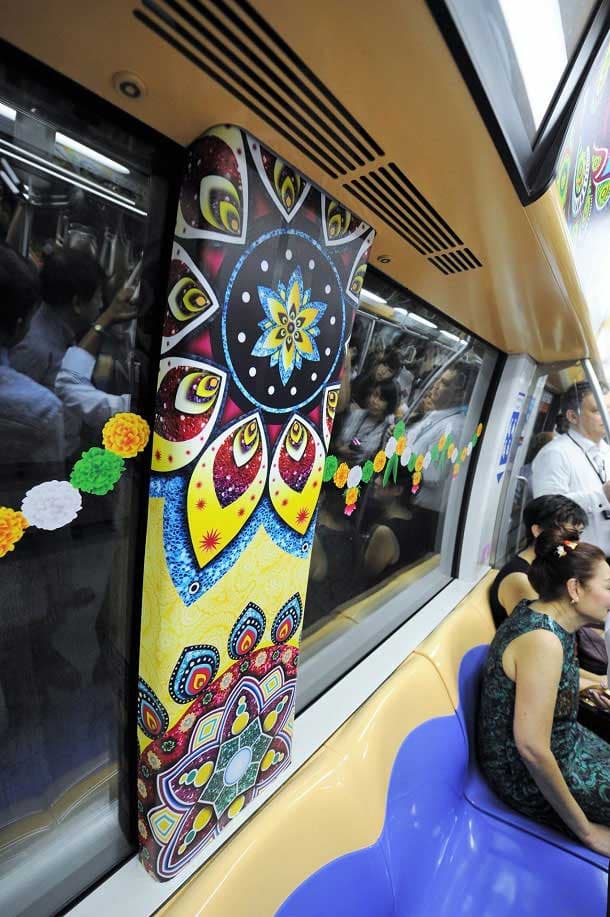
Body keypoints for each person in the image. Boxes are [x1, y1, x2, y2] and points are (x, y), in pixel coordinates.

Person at [477, 530, 610, 855]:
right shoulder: (543, 640)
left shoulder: (541, 614)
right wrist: (588, 832)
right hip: (524, 776)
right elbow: (533, 749)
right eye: (608, 587)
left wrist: (588, 688)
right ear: (574, 589)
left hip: (565, 744)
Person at [532, 382, 610, 556]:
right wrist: (601, 496)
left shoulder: (606, 451)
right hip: (577, 562)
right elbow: (547, 511)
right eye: (597, 410)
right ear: (573, 416)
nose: (607, 416)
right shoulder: (555, 454)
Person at [489, 495, 587, 629]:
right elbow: (540, 628)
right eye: (569, 533)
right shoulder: (520, 579)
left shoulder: (549, 566)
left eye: (579, 534)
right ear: (537, 531)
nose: (576, 542)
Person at [363, 471, 421, 582]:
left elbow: (364, 576)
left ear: (398, 490)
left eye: (382, 477)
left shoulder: (384, 533)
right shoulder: (410, 517)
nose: (376, 481)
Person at [334, 380, 399, 464]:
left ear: (389, 404)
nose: (374, 401)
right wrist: (339, 449)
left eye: (381, 399)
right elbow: (339, 438)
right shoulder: (356, 414)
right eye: (374, 395)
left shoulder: (386, 431)